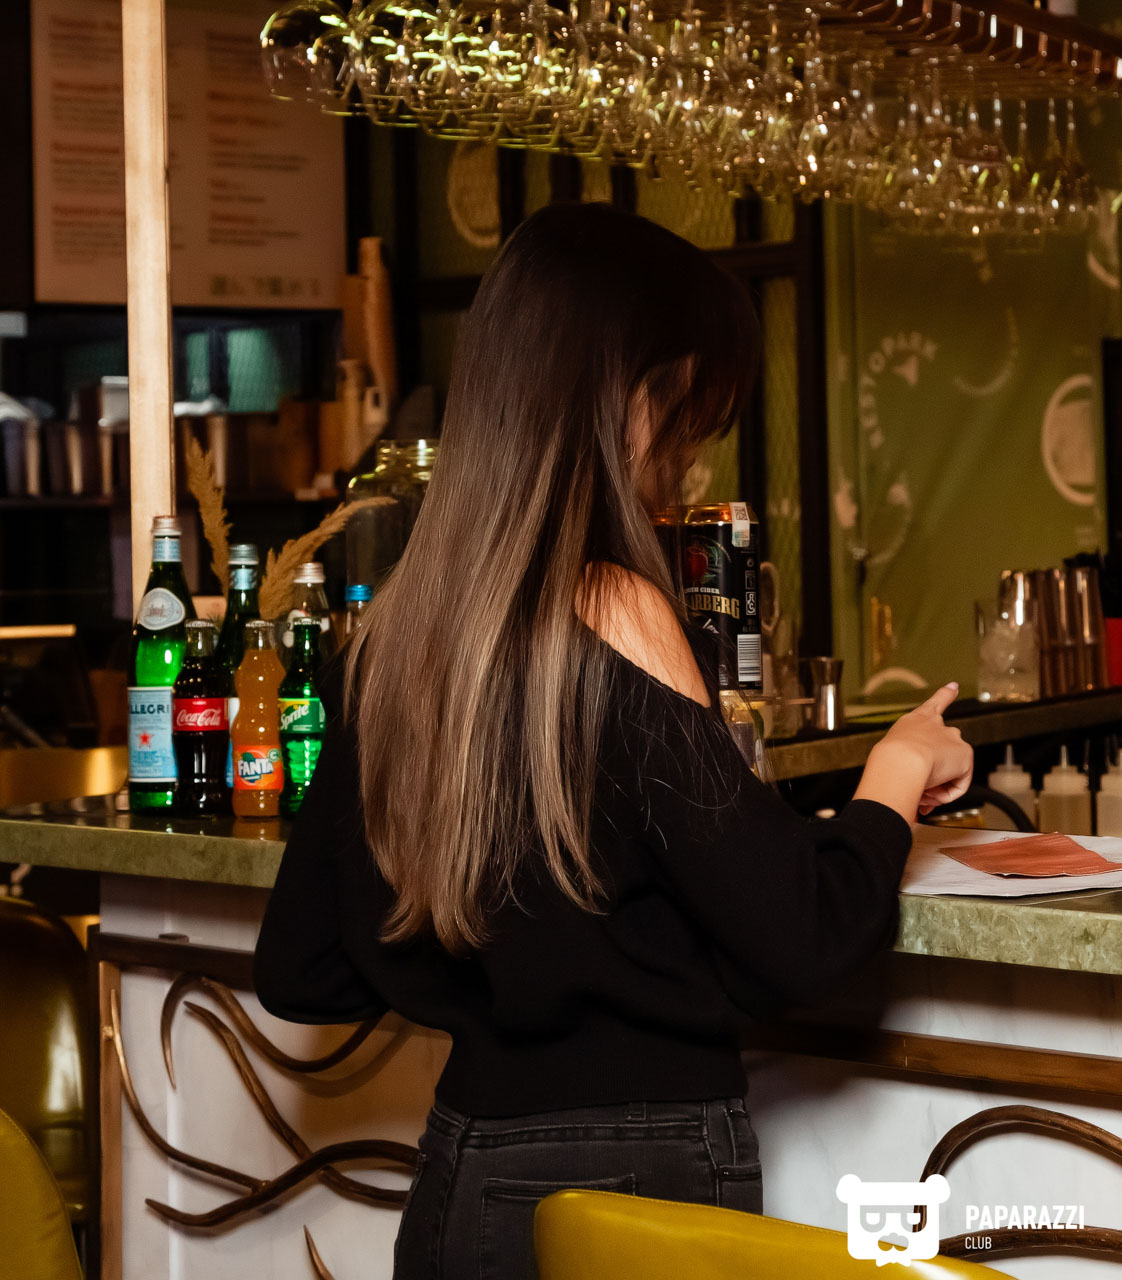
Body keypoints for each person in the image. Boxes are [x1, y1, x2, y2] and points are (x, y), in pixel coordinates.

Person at [252, 203, 974, 1280]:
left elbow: (303, 968)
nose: (686, 463)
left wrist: (506, 960)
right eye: (691, 421)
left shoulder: (402, 633)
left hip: (460, 1177)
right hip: (634, 1178)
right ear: (639, 396)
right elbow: (799, 938)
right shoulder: (618, 609)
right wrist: (897, 772)